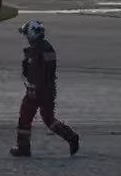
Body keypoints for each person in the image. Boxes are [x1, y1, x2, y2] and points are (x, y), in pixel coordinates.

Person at [12, 20, 80, 157]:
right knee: (48, 119)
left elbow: (35, 73)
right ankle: (70, 136)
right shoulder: (45, 48)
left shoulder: (38, 51)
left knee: (25, 117)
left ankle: (23, 147)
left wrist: (33, 87)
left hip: (37, 91)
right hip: (47, 91)